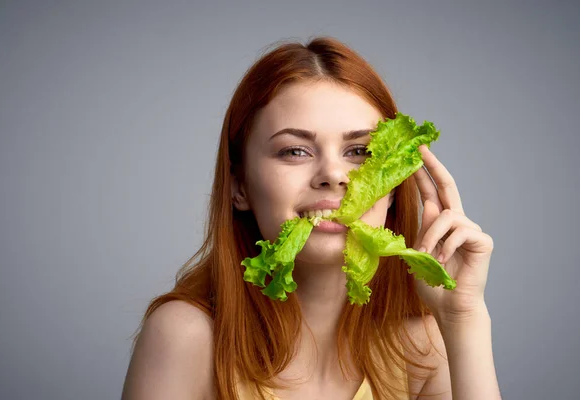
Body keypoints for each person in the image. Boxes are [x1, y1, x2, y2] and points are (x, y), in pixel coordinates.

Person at [121, 36, 501, 400]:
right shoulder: (185, 337)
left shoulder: (422, 348)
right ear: (239, 187)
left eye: (360, 152)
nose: (333, 175)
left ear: (394, 187)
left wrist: (464, 319)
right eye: (295, 151)